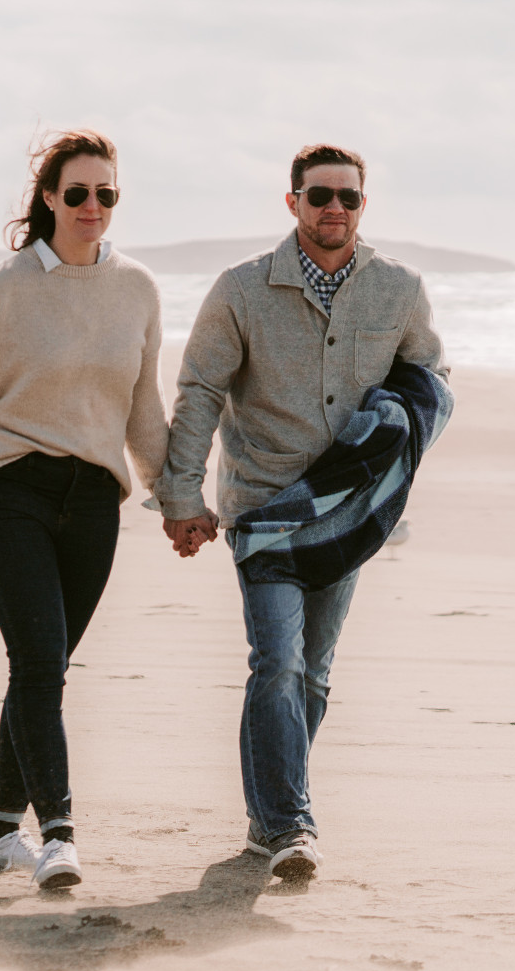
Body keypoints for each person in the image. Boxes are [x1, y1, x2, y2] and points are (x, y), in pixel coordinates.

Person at [157, 144, 447, 882]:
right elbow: (199, 394)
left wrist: (391, 438)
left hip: (348, 517)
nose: (334, 210)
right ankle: (290, 825)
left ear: (362, 206)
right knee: (278, 664)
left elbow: (430, 383)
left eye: (349, 199)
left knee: (313, 675)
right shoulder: (241, 290)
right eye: (320, 196)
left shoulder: (399, 290)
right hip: (264, 512)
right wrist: (182, 497)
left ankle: (266, 816)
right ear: (292, 203)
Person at [0, 130, 168, 891]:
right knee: (41, 660)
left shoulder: (138, 290)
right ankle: (58, 836)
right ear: (48, 197)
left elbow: (142, 408)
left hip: (92, 503)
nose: (92, 207)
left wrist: (179, 498)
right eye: (77, 193)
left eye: (106, 195)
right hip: (3, 490)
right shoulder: (0, 291)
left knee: (40, 670)